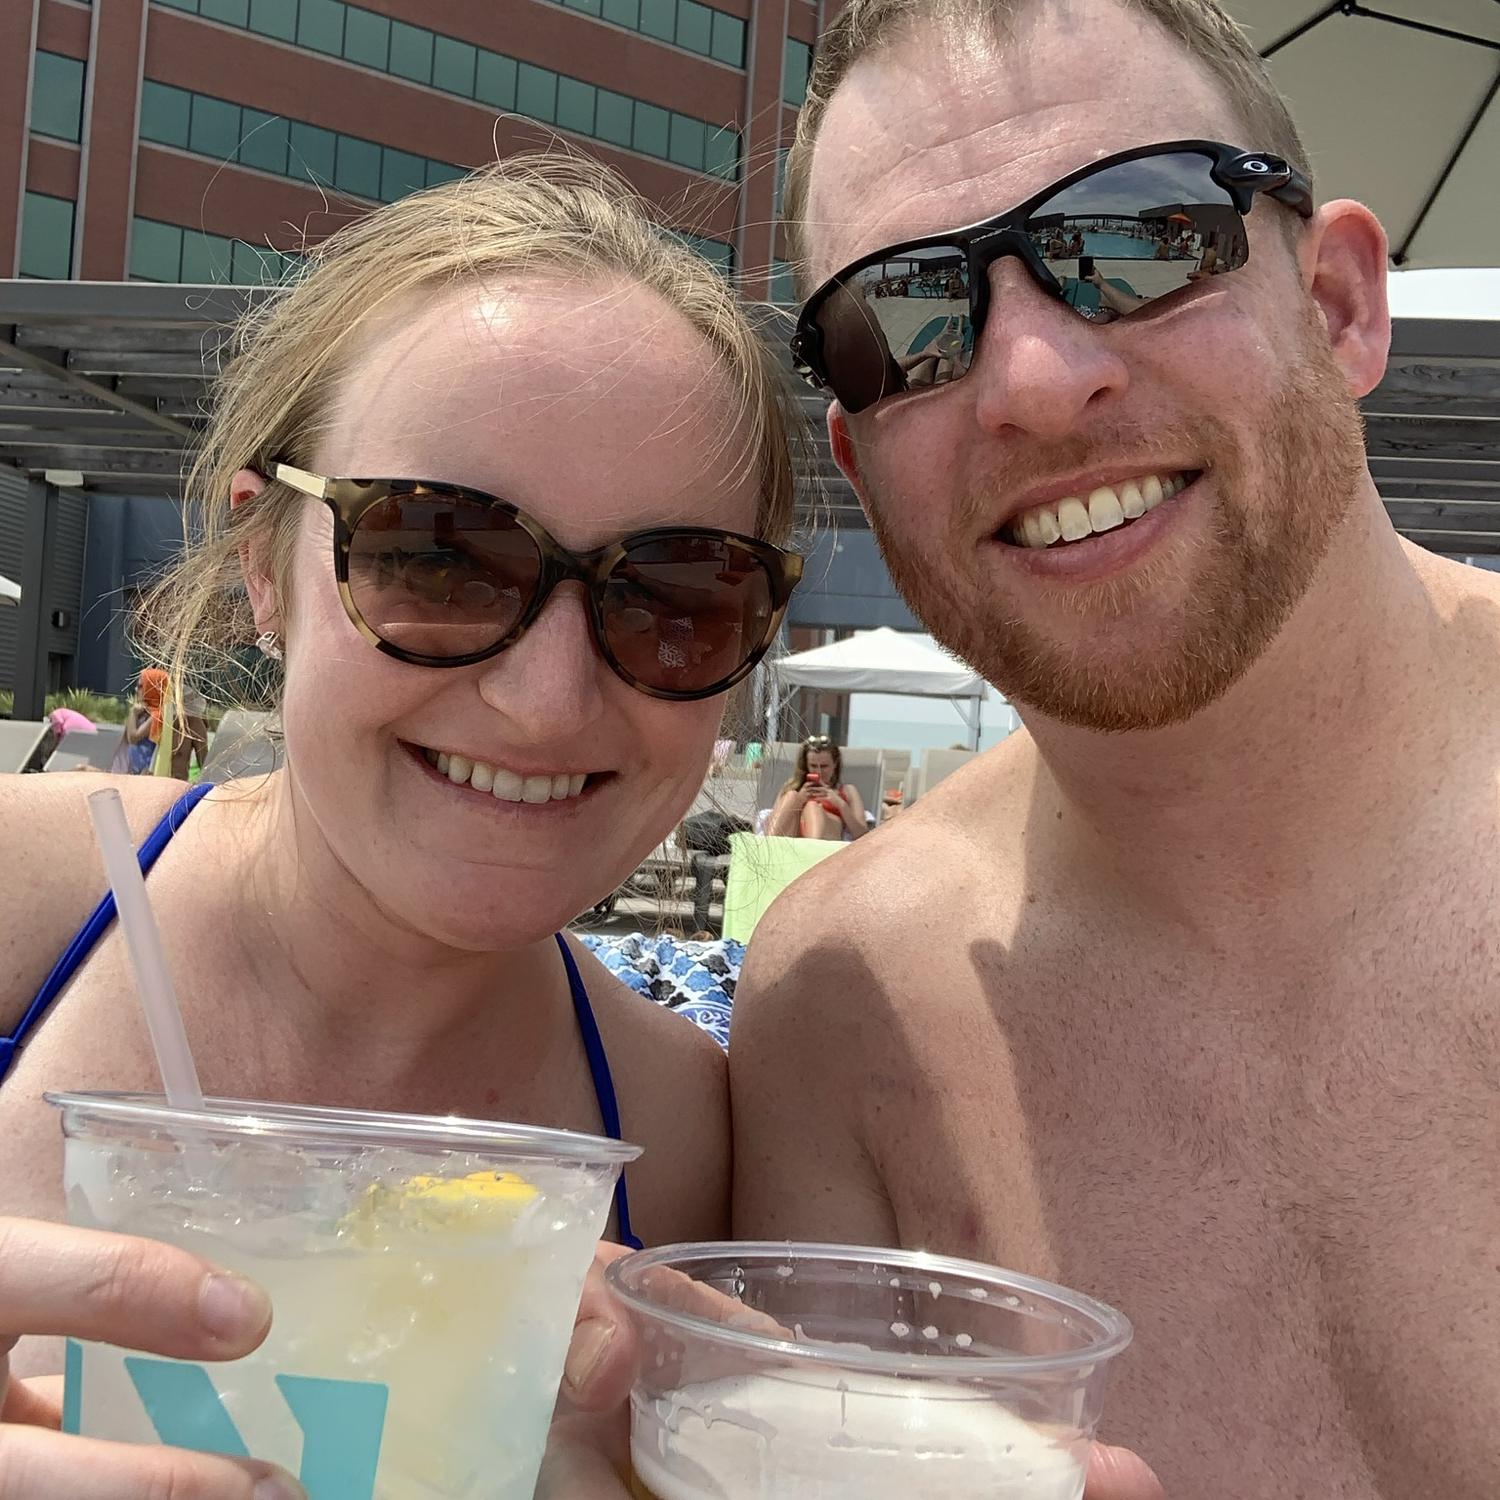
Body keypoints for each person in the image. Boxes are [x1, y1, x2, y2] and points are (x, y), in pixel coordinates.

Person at [728, 0, 1500, 1496]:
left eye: (1140, 234)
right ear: (863, 470)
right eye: (908, 319)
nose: (1030, 380)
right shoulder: (844, 1014)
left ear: (1341, 303)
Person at [0, 154, 804, 1497]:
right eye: (436, 552)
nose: (547, 705)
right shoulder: (25, 903)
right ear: (268, 570)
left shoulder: (684, 1126)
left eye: (676, 593)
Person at [766, 734, 869, 840]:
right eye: (813, 766)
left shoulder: (848, 790)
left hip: (828, 833)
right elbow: (771, 821)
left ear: (835, 764)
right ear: (806, 765)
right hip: (795, 835)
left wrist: (839, 804)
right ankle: (768, 844)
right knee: (791, 796)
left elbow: (862, 835)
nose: (818, 771)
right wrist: (799, 801)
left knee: (812, 807)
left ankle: (812, 847)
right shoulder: (792, 787)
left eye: (824, 766)